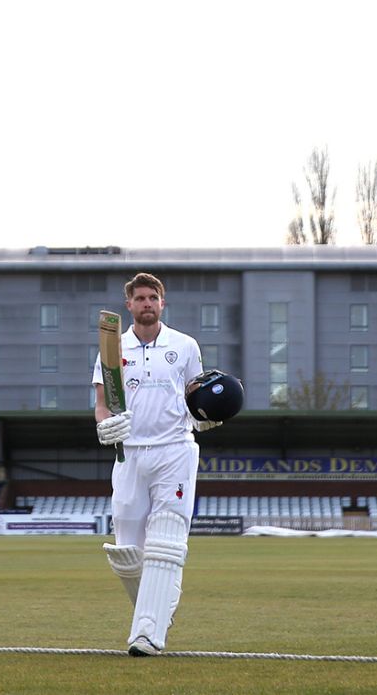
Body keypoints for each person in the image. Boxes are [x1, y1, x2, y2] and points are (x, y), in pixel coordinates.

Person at [93, 272, 217, 657]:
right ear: (129, 305)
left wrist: (206, 416)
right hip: (129, 453)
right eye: (140, 298)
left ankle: (147, 634)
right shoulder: (112, 348)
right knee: (128, 551)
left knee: (166, 540)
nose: (146, 304)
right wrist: (104, 426)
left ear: (162, 304)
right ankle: (158, 609)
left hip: (174, 449)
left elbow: (198, 399)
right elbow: (102, 402)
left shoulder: (184, 346)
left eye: (153, 298)